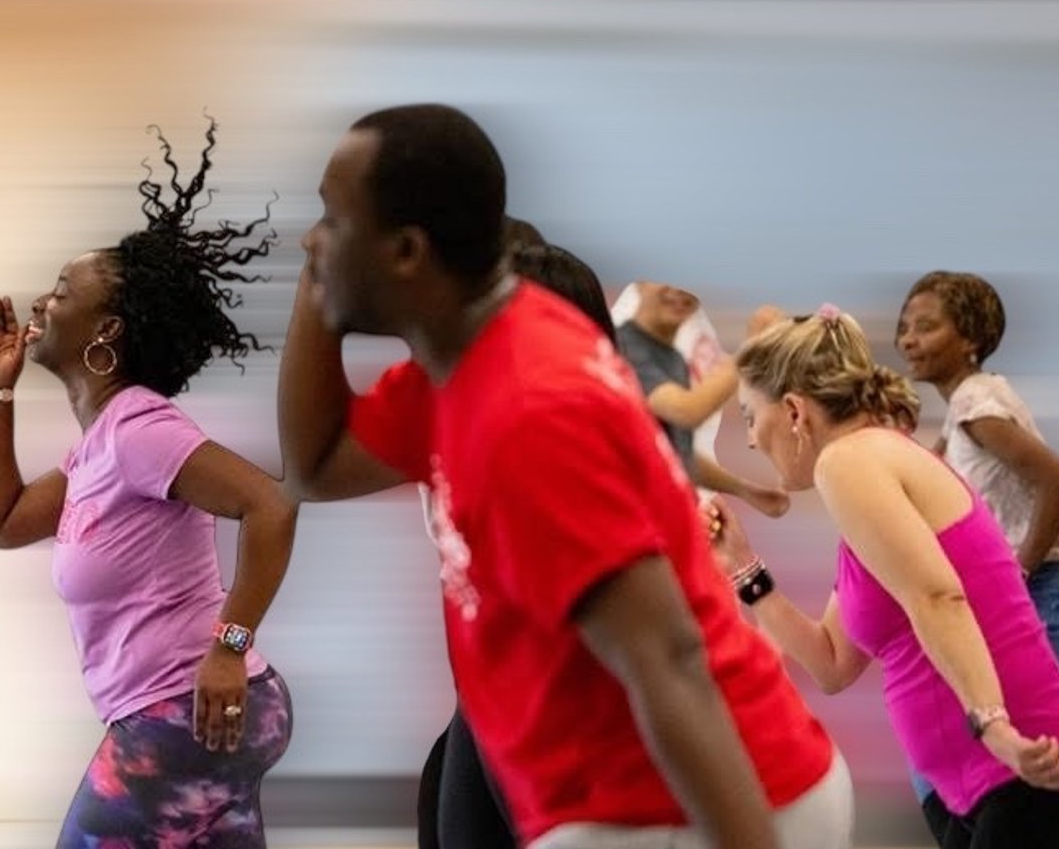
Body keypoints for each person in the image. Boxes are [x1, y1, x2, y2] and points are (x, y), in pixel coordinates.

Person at [280, 104, 849, 849]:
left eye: (332, 218)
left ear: (408, 252)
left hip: (690, 807)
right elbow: (314, 466)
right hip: (615, 790)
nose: (309, 239)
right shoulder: (453, 369)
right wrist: (323, 273)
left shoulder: (530, 408)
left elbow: (668, 658)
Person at [0, 122, 298, 848]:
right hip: (199, 716)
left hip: (188, 709)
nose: (40, 304)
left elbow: (268, 504)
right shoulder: (96, 449)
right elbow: (4, 521)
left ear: (106, 330)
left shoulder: (137, 426)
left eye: (61, 290)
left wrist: (229, 645)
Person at [707, 305, 1059, 848]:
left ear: (795, 411)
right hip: (986, 788)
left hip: (1030, 773)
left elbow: (938, 596)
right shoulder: (869, 483)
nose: (752, 440)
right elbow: (832, 663)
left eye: (751, 416)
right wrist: (743, 567)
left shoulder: (848, 461)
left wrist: (995, 728)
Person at [417, 237, 615, 849]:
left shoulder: (584, 451)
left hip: (558, 738)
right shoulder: (465, 417)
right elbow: (313, 466)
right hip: (479, 717)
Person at [616, 282, 792, 519]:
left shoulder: (673, 359)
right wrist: (752, 348)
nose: (678, 291)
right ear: (639, 284)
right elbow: (685, 411)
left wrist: (746, 490)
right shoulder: (624, 348)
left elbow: (678, 451)